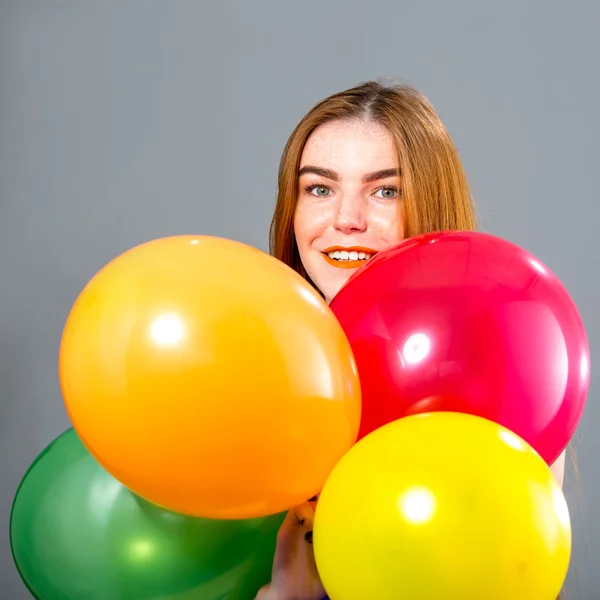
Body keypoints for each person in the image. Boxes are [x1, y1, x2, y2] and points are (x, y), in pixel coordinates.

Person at [255, 79, 567, 600]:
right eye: (319, 188)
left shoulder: (500, 389)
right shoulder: (254, 370)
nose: (346, 221)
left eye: (385, 191)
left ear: (429, 204)